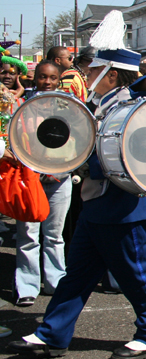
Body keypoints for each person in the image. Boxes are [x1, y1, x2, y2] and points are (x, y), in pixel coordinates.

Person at [7, 10, 146, 359]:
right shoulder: (97, 104)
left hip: (123, 207)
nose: (85, 75)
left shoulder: (133, 106)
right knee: (76, 276)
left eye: (93, 70)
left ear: (110, 75)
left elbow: (135, 154)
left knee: (137, 276)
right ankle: (52, 334)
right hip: (96, 203)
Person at [13, 61, 72, 307]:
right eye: (42, 77)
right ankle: (26, 286)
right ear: (34, 78)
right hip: (29, 180)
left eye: (52, 78)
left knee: (54, 235)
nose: (47, 82)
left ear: (59, 80)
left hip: (60, 179)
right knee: (27, 235)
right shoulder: (23, 106)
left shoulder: (69, 106)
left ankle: (55, 282)